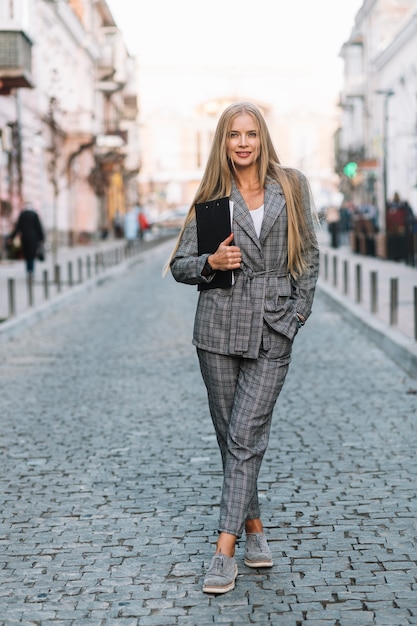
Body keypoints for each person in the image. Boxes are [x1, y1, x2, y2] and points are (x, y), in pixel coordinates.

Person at [165, 101, 319, 594]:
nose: (244, 142)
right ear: (224, 141)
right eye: (235, 134)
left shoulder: (291, 186)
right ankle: (254, 529)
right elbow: (180, 265)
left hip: (274, 327)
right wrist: (211, 260)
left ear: (263, 137)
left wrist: (297, 314)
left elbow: (310, 255)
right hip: (217, 329)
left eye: (251, 133)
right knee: (233, 439)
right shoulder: (213, 196)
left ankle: (223, 552)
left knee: (245, 435)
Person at [7, 202, 45, 274]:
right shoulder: (34, 215)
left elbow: (18, 228)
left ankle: (28, 270)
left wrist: (11, 237)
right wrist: (41, 238)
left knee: (27, 254)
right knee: (32, 255)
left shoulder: (22, 215)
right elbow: (38, 228)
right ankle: (31, 270)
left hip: (25, 238)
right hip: (34, 239)